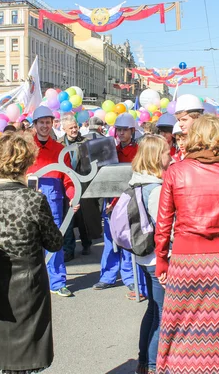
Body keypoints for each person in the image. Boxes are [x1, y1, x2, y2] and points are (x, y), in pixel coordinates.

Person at [155, 115, 219, 373]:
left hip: (185, 262)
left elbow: (163, 224)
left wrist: (162, 260)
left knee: (178, 326)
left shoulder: (175, 171)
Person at [0, 131, 63, 374]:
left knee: (4, 351)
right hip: (27, 282)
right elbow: (55, 243)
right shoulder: (33, 199)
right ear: (25, 163)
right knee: (25, 356)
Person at [130, 135, 172, 374]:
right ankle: (153, 366)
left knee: (153, 311)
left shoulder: (138, 181)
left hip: (144, 256)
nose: (171, 155)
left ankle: (144, 362)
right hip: (157, 258)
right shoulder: (154, 190)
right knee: (160, 315)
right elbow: (164, 227)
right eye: (167, 152)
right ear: (157, 157)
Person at [26, 106, 77, 297]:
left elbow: (69, 178)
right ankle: (32, 281)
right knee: (30, 241)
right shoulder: (26, 147)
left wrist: (73, 197)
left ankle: (57, 282)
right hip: (30, 200)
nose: (45, 126)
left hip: (54, 199)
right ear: (35, 124)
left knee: (55, 240)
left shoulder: (60, 150)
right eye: (42, 123)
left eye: (48, 122)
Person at [93, 113, 141, 298]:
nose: (120, 133)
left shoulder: (138, 152)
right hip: (110, 200)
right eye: (118, 130)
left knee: (127, 239)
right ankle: (108, 276)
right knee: (109, 239)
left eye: (124, 130)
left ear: (132, 131)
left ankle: (129, 277)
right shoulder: (110, 150)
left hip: (129, 201)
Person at [58, 115, 92, 261]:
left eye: (75, 127)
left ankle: (86, 243)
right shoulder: (59, 144)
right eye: (70, 128)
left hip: (82, 183)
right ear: (64, 129)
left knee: (83, 217)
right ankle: (69, 250)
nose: (74, 130)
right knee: (69, 217)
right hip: (66, 184)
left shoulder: (85, 142)